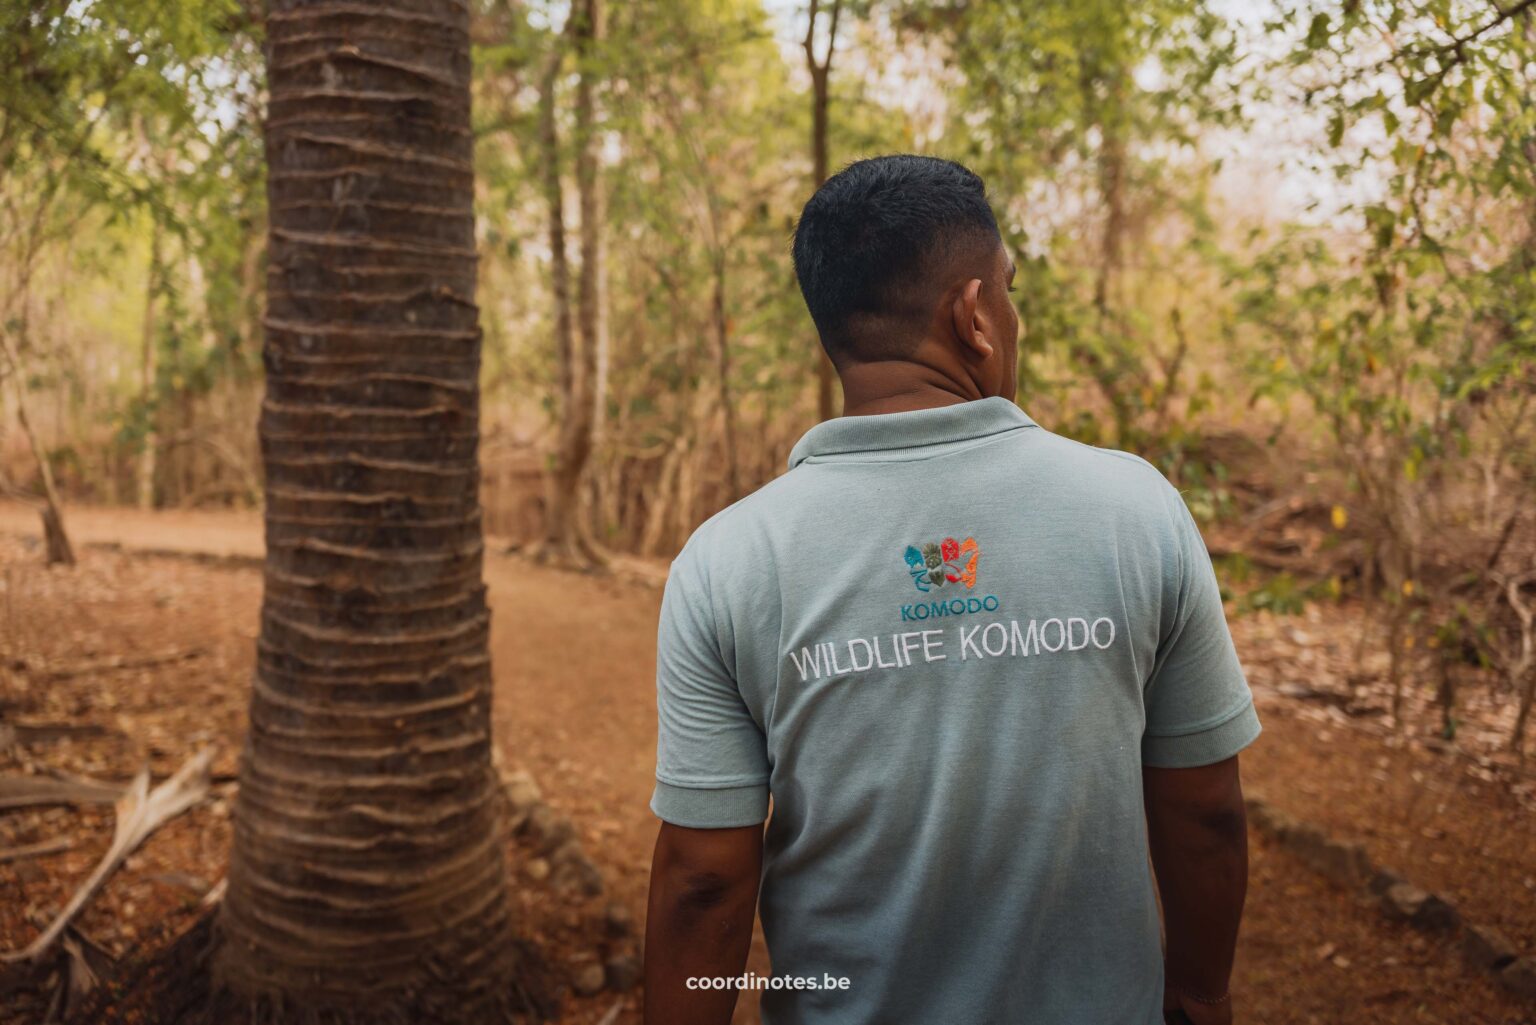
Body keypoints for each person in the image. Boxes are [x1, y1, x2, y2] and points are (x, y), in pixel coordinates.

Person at [643, 154, 1259, 1025]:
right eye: (1007, 290)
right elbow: (1204, 811)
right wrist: (1200, 992)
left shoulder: (728, 559)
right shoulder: (1135, 509)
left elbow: (703, 880)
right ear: (974, 314)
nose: (1013, 316)